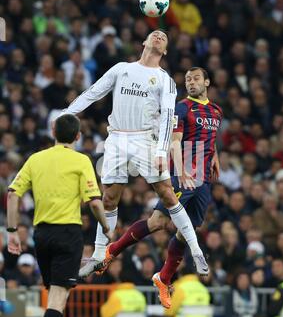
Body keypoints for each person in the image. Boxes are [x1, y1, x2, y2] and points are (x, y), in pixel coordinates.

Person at [65, 31, 209, 280]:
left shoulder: (165, 80)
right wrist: (66, 113)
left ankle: (196, 250)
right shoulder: (121, 69)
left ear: (164, 51)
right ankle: (99, 256)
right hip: (118, 138)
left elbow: (167, 118)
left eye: (164, 37)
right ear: (144, 43)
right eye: (154, 34)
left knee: (166, 193)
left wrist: (163, 150)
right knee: (109, 198)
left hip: (146, 140)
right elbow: (93, 92)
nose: (158, 37)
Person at [86, 67, 222, 309]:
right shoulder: (182, 107)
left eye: (196, 78)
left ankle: (163, 278)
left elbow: (210, 137)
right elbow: (174, 142)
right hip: (184, 173)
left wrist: (215, 158)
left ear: (207, 82)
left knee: (185, 232)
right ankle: (112, 250)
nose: (191, 82)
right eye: (188, 79)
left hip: (203, 178)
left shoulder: (216, 110)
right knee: (158, 222)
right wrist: (181, 173)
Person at [6, 114, 110, 317]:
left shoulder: (35, 159)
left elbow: (12, 193)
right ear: (78, 136)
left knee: (56, 297)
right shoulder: (80, 160)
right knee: (57, 299)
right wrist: (107, 228)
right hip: (67, 234)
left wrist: (12, 231)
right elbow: (95, 203)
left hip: (41, 236)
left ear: (53, 131)